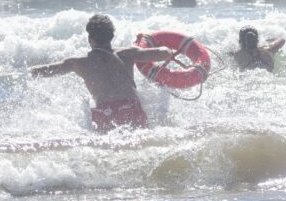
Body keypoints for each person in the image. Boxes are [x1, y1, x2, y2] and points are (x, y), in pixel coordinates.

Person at [29, 13, 177, 132]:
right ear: (112, 36)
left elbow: (48, 70)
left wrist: (27, 73)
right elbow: (162, 53)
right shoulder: (127, 54)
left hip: (103, 113)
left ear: (89, 38)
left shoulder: (79, 62)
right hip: (130, 108)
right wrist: (169, 50)